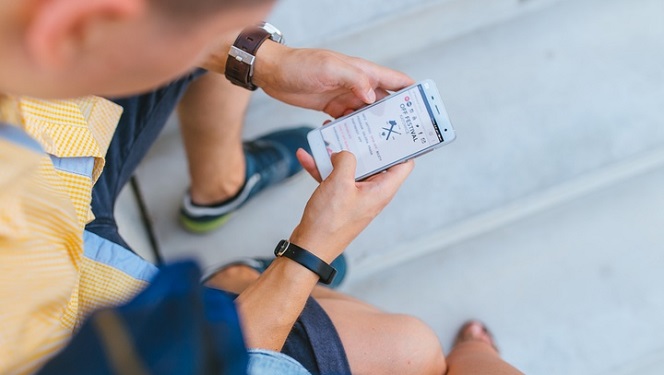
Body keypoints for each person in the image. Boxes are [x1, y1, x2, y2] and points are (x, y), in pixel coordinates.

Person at [0, 0, 523, 374]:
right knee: (411, 351)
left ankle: (223, 196)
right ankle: (238, 279)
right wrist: (310, 250)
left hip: (60, 171)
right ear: (71, 24)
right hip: (77, 298)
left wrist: (260, 59)